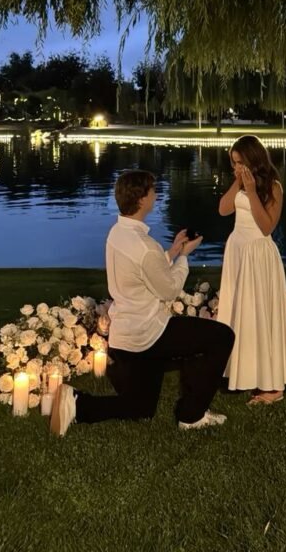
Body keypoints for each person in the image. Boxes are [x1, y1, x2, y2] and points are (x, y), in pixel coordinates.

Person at [50, 169, 234, 436]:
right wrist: (184, 258)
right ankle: (192, 415)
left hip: (126, 337)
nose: (156, 195)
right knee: (221, 337)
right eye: (153, 191)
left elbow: (144, 269)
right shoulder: (145, 246)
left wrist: (171, 252)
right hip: (149, 333)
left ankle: (76, 404)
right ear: (141, 200)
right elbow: (169, 290)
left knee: (140, 408)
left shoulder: (117, 233)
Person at [216, 135, 286, 404]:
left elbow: (266, 227)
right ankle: (241, 371)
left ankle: (272, 384)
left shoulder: (273, 187)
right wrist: (238, 182)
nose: (235, 167)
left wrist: (252, 193)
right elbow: (223, 209)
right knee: (238, 311)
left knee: (259, 312)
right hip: (238, 251)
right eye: (233, 163)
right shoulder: (240, 182)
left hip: (258, 254)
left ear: (253, 160)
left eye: (239, 162)